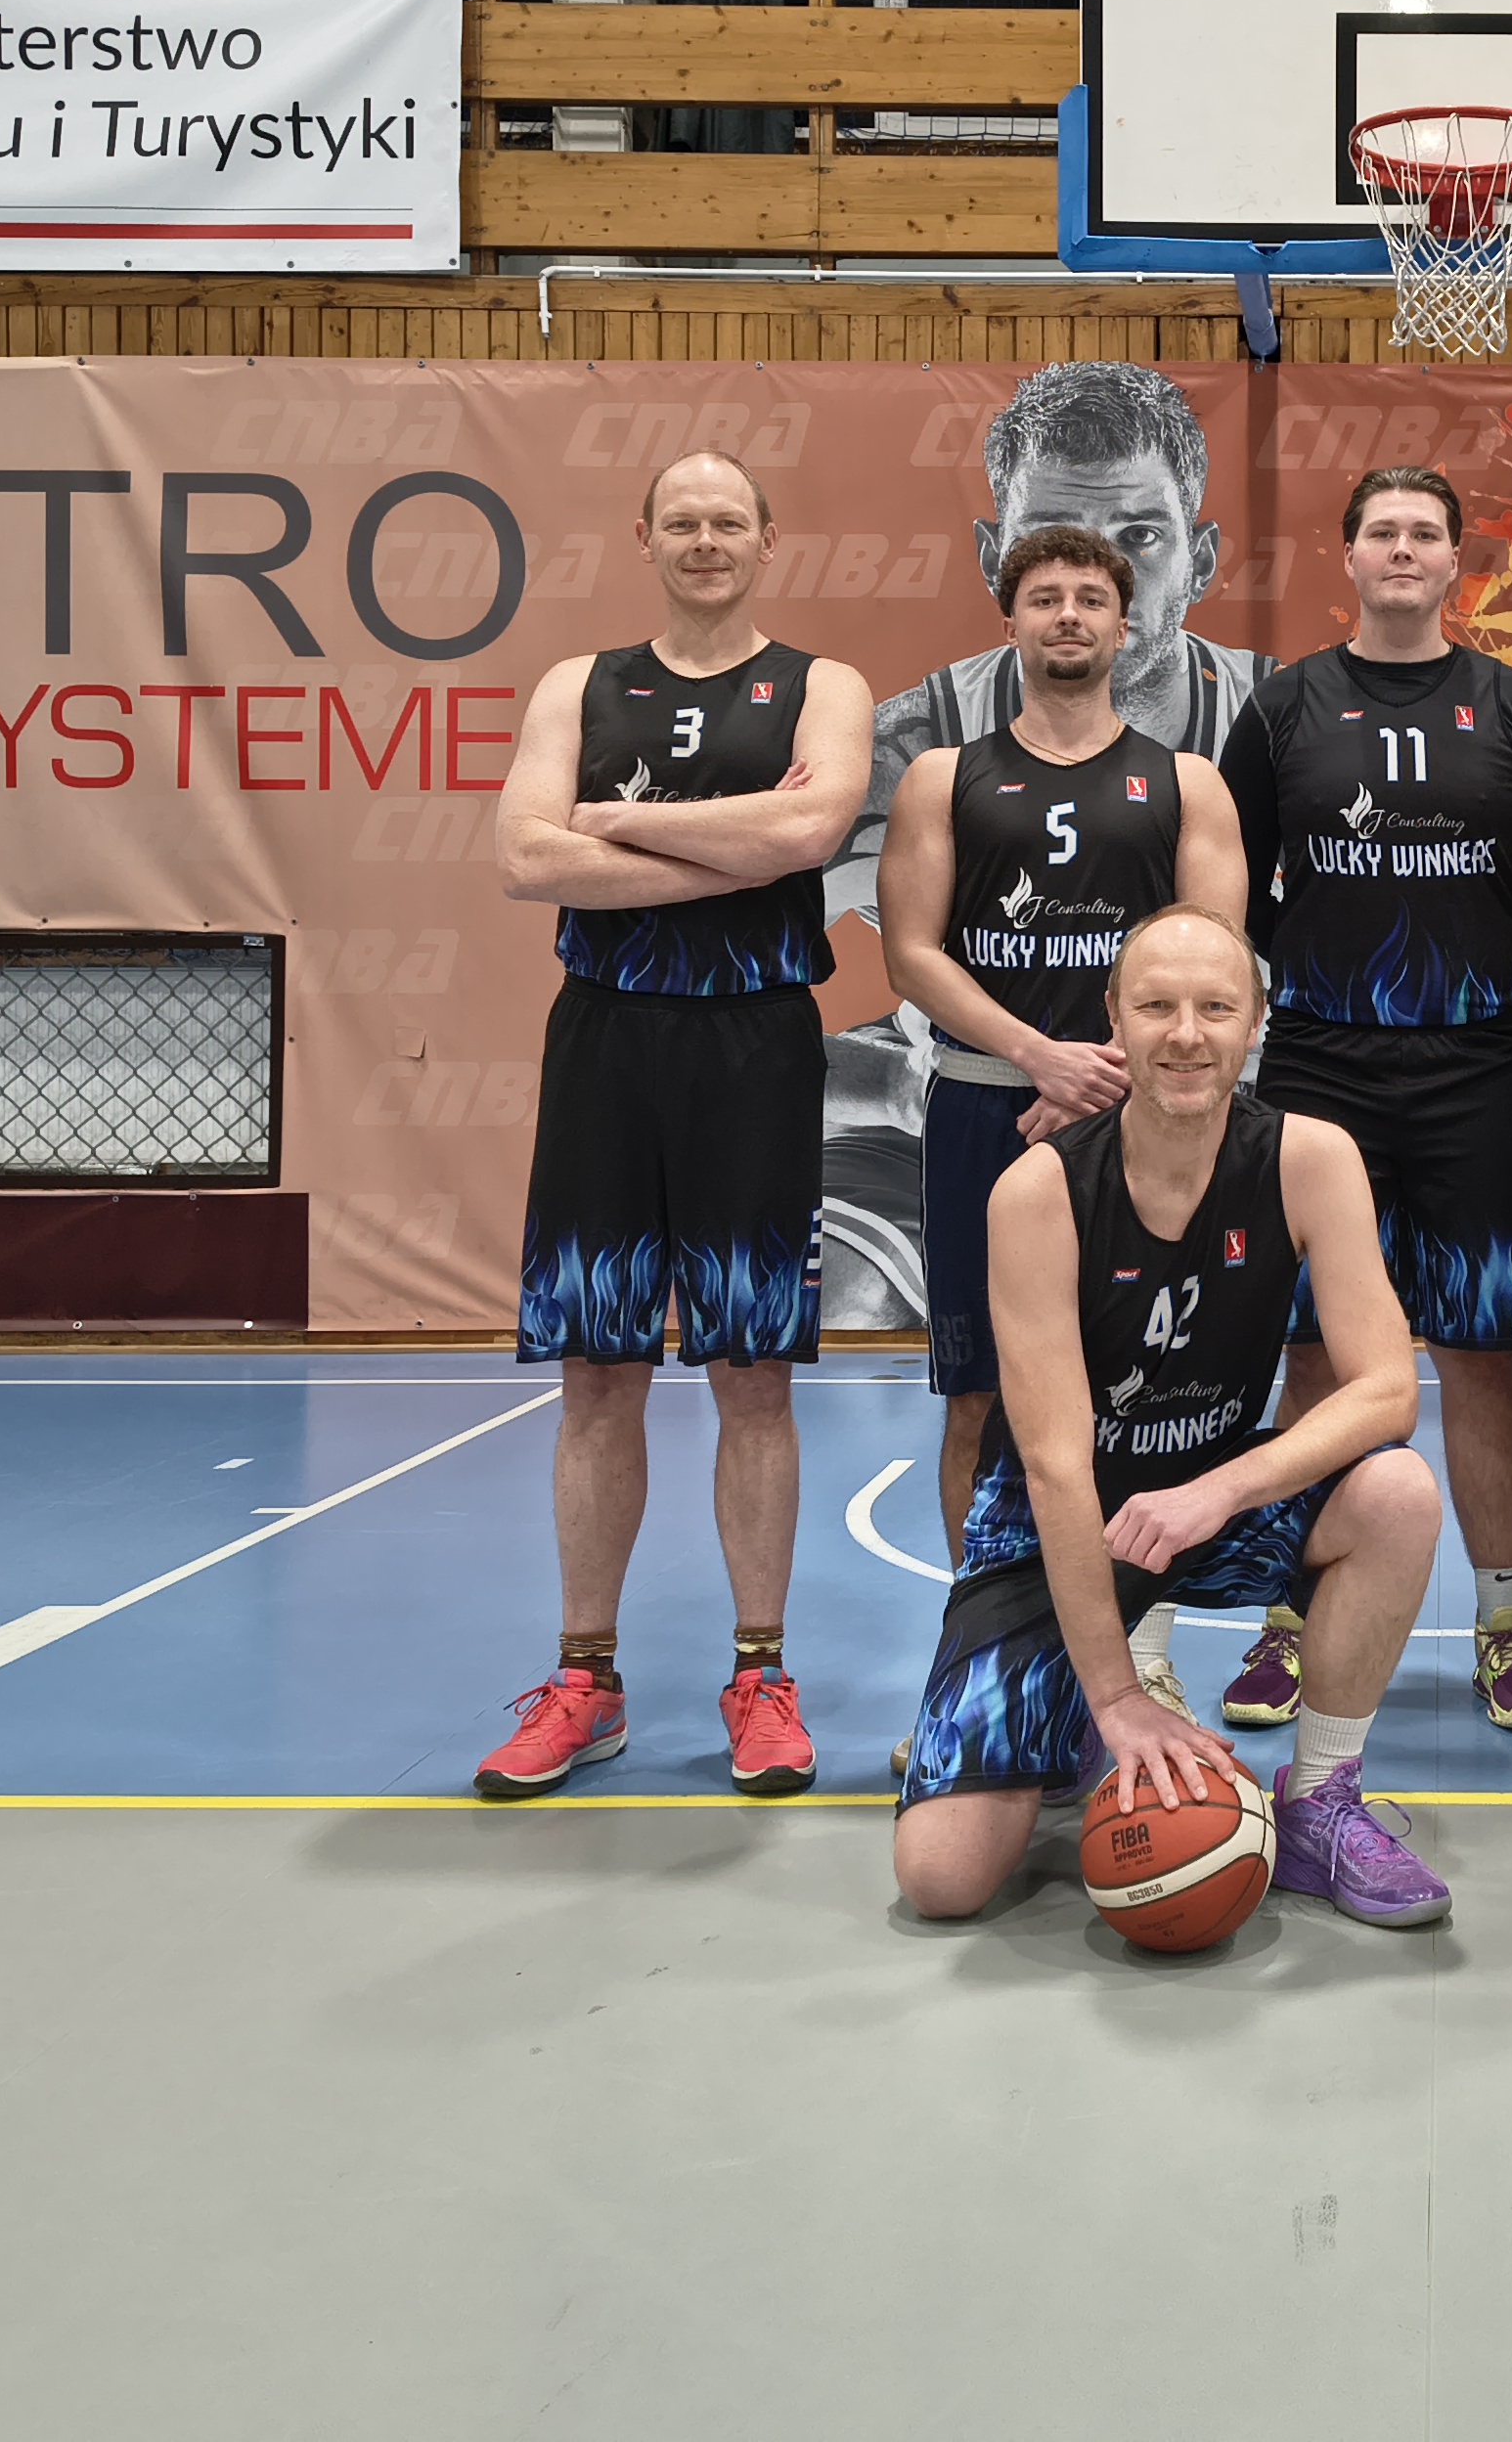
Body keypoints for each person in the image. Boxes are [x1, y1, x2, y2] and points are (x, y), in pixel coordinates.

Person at [890, 906, 1452, 1930]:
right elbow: (1056, 1468)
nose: (1186, 1034)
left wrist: (1220, 1490)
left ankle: (1320, 1803)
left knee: (1399, 1492)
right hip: (1052, 1529)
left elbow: (1387, 1391)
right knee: (943, 1879)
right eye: (1156, 1007)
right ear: (1113, 1018)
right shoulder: (1038, 1194)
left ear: (1255, 1022)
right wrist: (1117, 1696)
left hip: (1206, 1502)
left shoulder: (1309, 1158)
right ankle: (1077, 1715)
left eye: (1215, 1008)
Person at [478, 452, 875, 1803]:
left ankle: (760, 1675)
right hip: (607, 1041)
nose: (707, 540)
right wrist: (733, 842)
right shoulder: (575, 686)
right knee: (597, 1372)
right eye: (683, 521)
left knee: (752, 1375)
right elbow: (526, 857)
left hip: (755, 1044)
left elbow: (812, 835)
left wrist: (617, 826)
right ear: (643, 537)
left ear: (769, 539)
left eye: (729, 521)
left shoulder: (822, 686)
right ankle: (584, 1680)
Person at [1215, 465, 1512, 1736]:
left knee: (1480, 1354)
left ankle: (1506, 1622)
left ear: (1456, 559)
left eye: (1427, 532)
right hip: (1321, 1067)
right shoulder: (1283, 707)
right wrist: (1309, 966)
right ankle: (1289, 1617)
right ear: (1351, 556)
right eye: (1384, 532)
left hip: (1479, 1064)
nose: (1405, 550)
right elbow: (1231, 886)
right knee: (1314, 1354)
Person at [819, 361, 1273, 1337]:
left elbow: (1232, 959)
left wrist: (1102, 1079)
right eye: (1052, 543)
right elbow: (780, 946)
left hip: (1195, 1088)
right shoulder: (914, 746)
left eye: (1138, 535)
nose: (1086, 581)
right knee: (857, 1294)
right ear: (999, 563)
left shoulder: (1283, 723)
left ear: (1198, 557)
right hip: (974, 1089)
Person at [879, 520, 1247, 1727]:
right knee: (981, 1400)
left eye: (1091, 597)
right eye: (1045, 598)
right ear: (1010, 621)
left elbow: (1212, 962)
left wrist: (1113, 1080)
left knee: (1139, 1392)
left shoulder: (1185, 783)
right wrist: (1036, 1055)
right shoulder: (944, 778)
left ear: (1125, 624)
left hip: (1142, 1126)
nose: (1069, 616)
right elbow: (911, 951)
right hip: (987, 1107)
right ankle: (983, 1656)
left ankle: (1139, 1652)